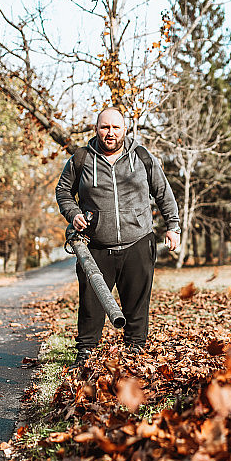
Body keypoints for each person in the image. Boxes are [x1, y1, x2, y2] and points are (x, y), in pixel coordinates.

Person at [55, 106, 180, 368]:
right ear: (96, 129)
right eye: (105, 127)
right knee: (91, 305)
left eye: (115, 127)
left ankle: (135, 353)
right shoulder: (81, 159)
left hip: (138, 242)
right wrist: (73, 213)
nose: (110, 132)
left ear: (125, 129)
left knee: (136, 304)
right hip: (96, 246)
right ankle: (86, 354)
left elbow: (163, 192)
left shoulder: (142, 157)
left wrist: (173, 226)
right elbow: (63, 192)